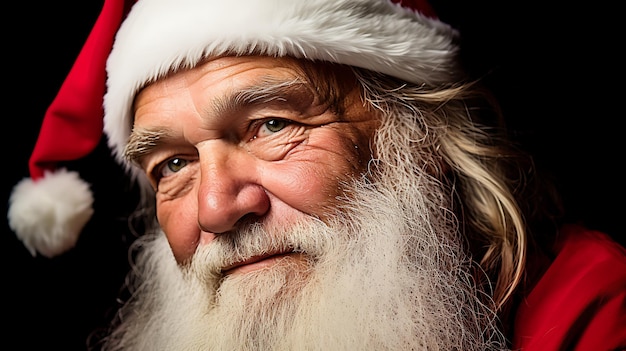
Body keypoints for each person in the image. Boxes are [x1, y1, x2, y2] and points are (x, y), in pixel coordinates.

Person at [7, 0, 625, 350]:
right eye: (172, 164)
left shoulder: (599, 312)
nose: (217, 208)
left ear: (420, 135)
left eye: (272, 125)